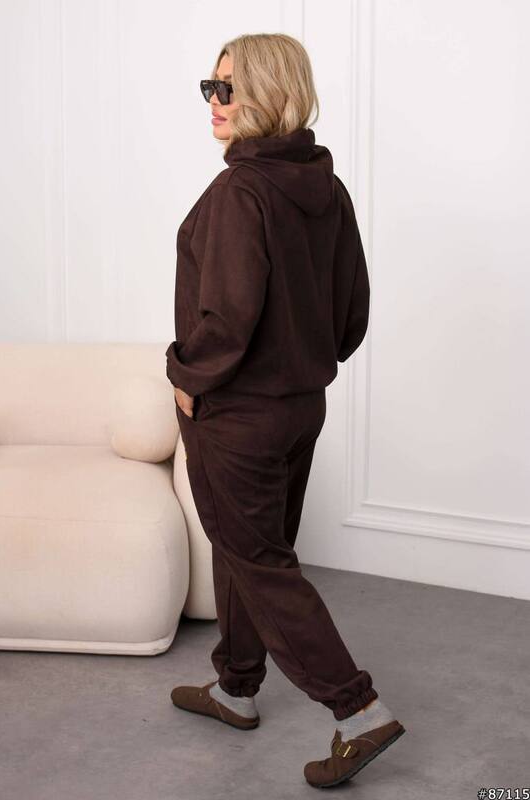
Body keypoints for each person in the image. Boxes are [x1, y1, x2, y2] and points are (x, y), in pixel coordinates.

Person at [165, 33, 406, 789]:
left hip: (236, 415)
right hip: (301, 408)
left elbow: (227, 318)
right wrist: (306, 362)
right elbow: (351, 311)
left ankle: (357, 711)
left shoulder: (240, 192)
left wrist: (186, 376)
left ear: (269, 93)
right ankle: (236, 687)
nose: (214, 101)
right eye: (210, 86)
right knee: (249, 551)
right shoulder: (325, 187)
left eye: (229, 88)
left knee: (259, 562)